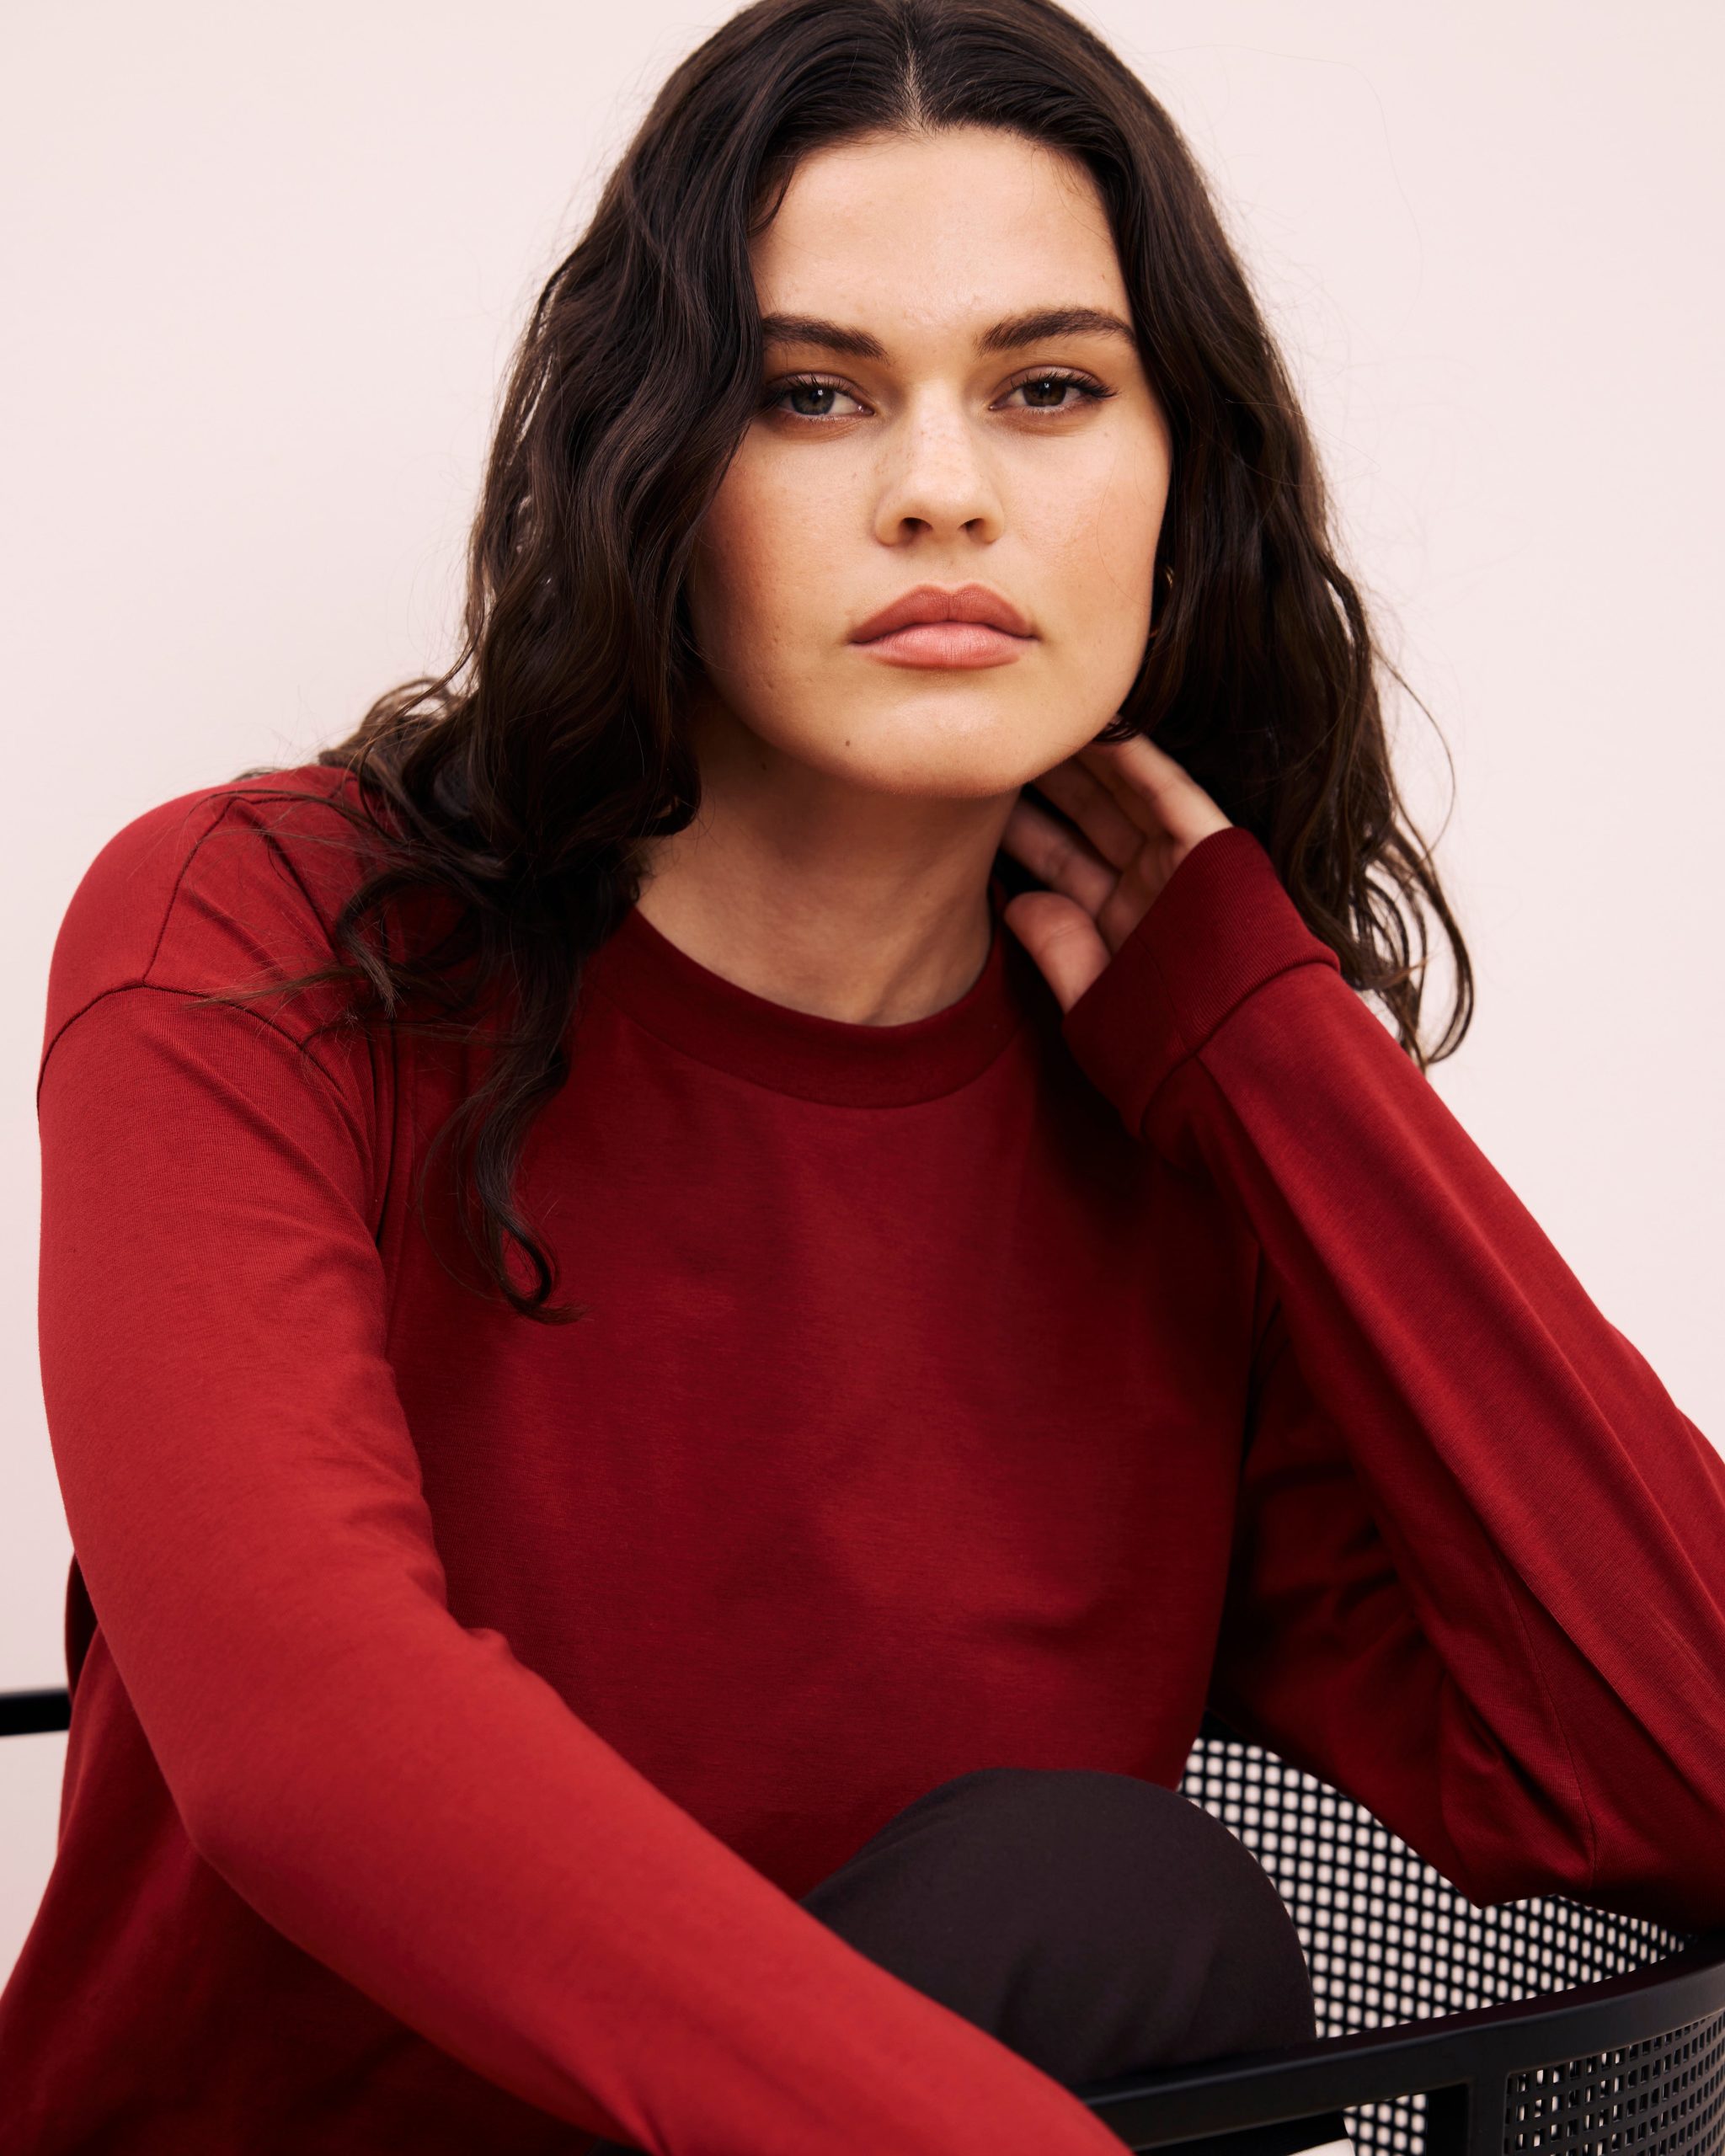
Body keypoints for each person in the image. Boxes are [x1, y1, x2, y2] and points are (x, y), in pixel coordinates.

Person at [3, 0, 1722, 2149]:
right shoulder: (264, 934)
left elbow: (1689, 1770)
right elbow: (302, 1726)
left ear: (1181, 483)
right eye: (810, 394)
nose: (939, 491)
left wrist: (1277, 1054)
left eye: (1047, 388)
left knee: (1110, 1902)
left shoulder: (1166, 1165)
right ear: (655, 463)